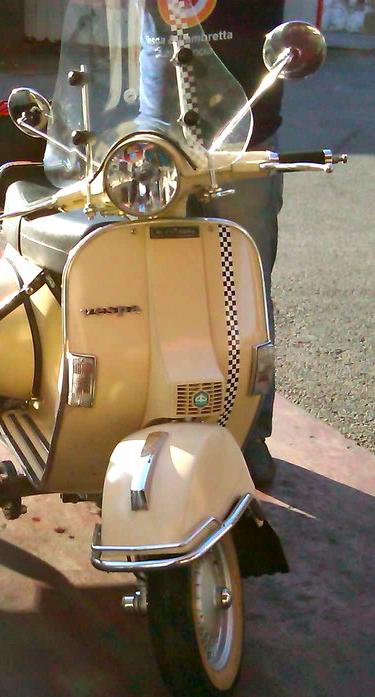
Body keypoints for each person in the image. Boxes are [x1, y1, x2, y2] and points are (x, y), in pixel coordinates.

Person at [139, 0, 287, 487]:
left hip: (242, 134)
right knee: (152, 282)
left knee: (244, 287)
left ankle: (248, 434)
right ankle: (152, 414)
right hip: (160, 134)